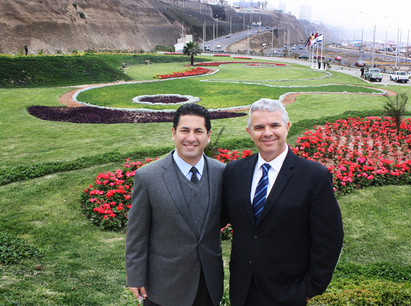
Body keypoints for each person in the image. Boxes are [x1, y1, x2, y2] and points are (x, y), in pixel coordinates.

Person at [222, 98, 344, 306]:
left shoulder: (314, 176)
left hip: (289, 292)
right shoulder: (235, 171)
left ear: (287, 127)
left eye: (274, 125)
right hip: (243, 289)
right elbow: (221, 217)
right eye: (259, 127)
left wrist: (310, 288)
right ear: (249, 132)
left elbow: (329, 238)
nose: (267, 133)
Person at [126, 103, 225, 306]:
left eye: (198, 131)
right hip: (164, 286)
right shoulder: (149, 177)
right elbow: (137, 233)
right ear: (173, 133)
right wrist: (135, 275)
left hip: (208, 283)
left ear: (208, 135)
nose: (191, 138)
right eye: (184, 130)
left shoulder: (222, 173)